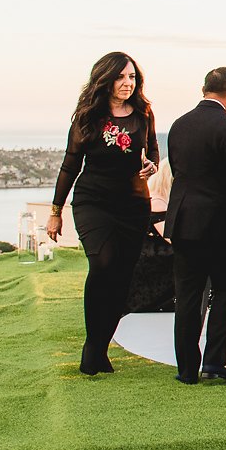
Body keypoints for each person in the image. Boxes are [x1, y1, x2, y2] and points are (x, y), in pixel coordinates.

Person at [47, 52, 160, 375]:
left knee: (123, 276)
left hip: (134, 203)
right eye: (121, 77)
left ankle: (101, 346)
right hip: (93, 201)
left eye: (132, 77)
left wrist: (151, 165)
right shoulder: (88, 117)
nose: (127, 83)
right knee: (103, 263)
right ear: (106, 79)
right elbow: (70, 165)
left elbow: (152, 150)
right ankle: (92, 345)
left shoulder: (143, 113)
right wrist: (55, 211)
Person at [165, 67, 226, 384]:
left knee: (188, 295)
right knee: (224, 289)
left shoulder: (179, 125)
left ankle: (187, 368)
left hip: (182, 219)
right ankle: (216, 361)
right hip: (216, 222)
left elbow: (180, 167)